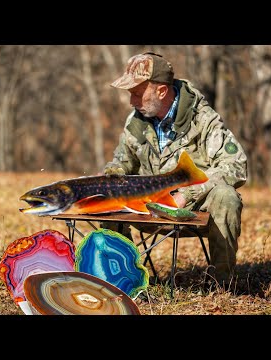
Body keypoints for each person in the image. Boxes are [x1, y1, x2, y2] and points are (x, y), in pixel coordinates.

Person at [102, 51, 248, 287]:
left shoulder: (203, 119)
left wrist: (189, 194)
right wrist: (110, 175)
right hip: (147, 204)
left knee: (226, 196)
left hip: (192, 206)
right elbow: (123, 161)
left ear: (161, 90)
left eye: (137, 93)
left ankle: (221, 284)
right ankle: (123, 279)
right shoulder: (137, 121)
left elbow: (236, 165)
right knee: (109, 192)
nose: (132, 101)